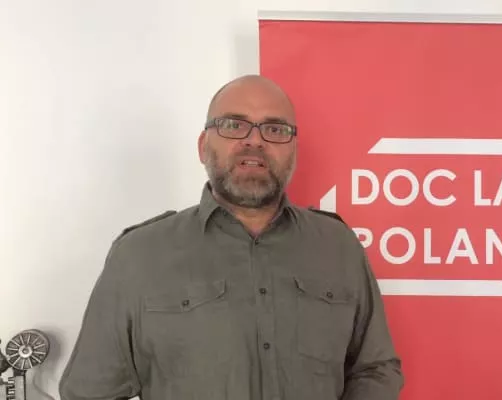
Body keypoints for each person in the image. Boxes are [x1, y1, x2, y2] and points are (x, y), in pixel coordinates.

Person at [59, 75, 404, 400]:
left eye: (274, 129)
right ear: (203, 146)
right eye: (234, 125)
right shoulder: (139, 255)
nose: (254, 141)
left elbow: (375, 368)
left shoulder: (337, 246)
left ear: (294, 151)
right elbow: (89, 392)